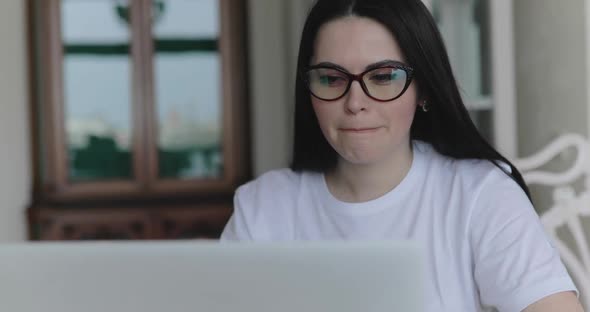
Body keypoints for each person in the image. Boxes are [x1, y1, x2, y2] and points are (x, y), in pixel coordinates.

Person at [221, 0, 582, 311]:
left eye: (383, 76)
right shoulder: (262, 208)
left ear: (422, 87)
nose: (355, 103)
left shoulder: (480, 194)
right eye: (331, 79)